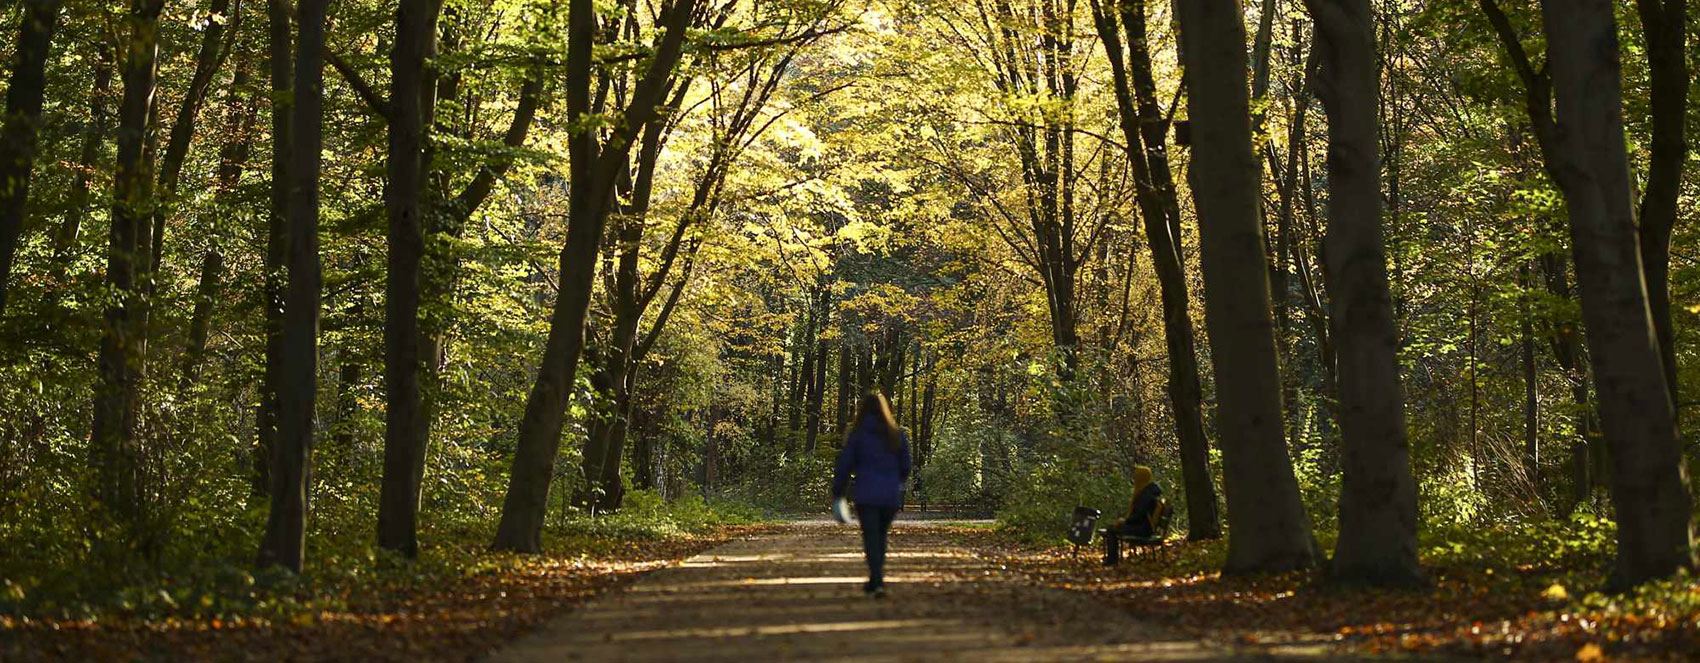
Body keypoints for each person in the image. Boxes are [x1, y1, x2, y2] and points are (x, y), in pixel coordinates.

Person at [831, 391, 912, 598]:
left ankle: (876, 579)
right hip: (889, 495)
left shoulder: (858, 434)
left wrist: (838, 491)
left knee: (871, 536)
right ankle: (877, 578)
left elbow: (845, 464)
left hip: (866, 494)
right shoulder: (897, 435)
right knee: (881, 535)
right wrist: (896, 481)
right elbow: (906, 466)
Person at [1105, 466, 1163, 564]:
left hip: (1143, 530)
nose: (1134, 478)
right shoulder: (1147, 492)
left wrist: (1125, 521)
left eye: (1136, 476)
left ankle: (1112, 560)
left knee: (1111, 530)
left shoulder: (1146, 496)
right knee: (1113, 527)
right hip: (1144, 527)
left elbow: (1139, 516)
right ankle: (1112, 559)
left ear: (1141, 478)